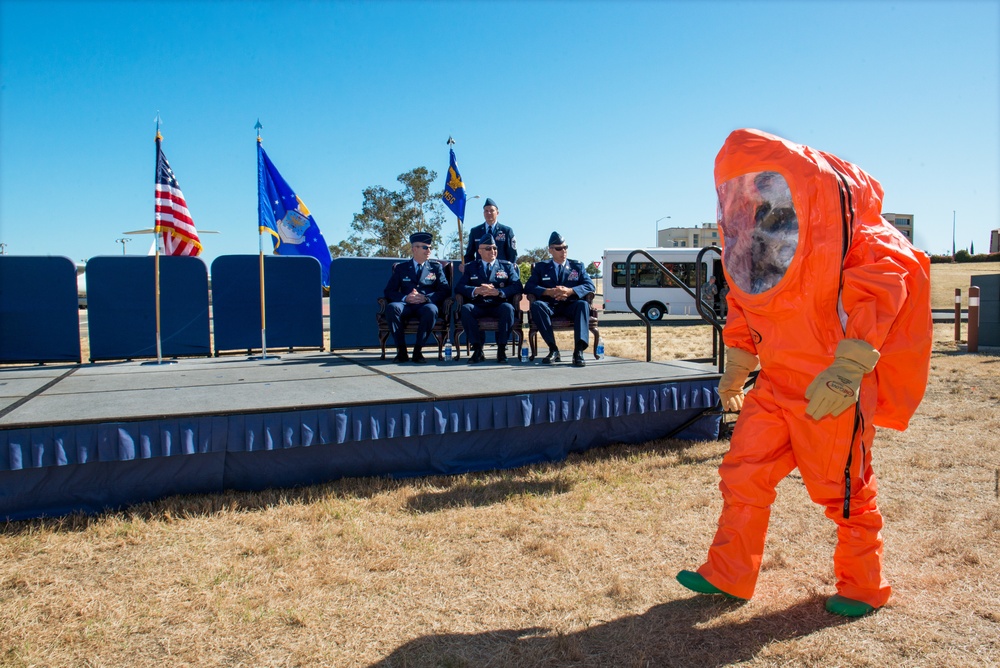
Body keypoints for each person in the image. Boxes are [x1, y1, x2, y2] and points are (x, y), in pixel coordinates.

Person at [676, 129, 931, 617]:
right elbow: (747, 303)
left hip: (827, 386)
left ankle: (863, 585)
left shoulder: (855, 237)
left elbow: (881, 292)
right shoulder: (765, 244)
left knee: (844, 488)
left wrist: (849, 369)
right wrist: (737, 367)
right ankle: (729, 573)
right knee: (744, 474)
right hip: (775, 383)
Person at [524, 231, 595, 367]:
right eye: (559, 248)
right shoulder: (541, 267)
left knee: (583, 305)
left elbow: (589, 285)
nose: (563, 251)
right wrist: (548, 292)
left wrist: (570, 291)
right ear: (550, 250)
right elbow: (529, 287)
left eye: (565, 247)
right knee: (537, 306)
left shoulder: (577, 266)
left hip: (570, 305)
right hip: (550, 306)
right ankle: (553, 349)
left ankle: (578, 351)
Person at [455, 231, 523, 364]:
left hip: (498, 304)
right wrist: (476, 290)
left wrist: (499, 292)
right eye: (488, 248)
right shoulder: (471, 267)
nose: (492, 250)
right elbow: (459, 287)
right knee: (466, 309)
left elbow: (517, 286)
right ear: (479, 251)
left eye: (494, 248)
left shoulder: (506, 266)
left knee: (508, 308)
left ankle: (502, 350)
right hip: (478, 305)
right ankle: (478, 349)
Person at [382, 232, 450, 363]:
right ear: (414, 249)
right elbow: (389, 291)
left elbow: (444, 290)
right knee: (392, 308)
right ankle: (401, 351)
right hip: (406, 304)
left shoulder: (436, 268)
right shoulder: (401, 268)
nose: (428, 250)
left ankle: (418, 351)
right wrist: (405, 298)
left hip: (425, 304)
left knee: (431, 310)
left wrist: (425, 298)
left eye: (430, 247)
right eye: (425, 247)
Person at [463, 198, 517, 265]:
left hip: (501, 272)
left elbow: (512, 255)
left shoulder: (506, 231)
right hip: (480, 271)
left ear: (497, 213)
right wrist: (469, 269)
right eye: (486, 211)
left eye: (491, 211)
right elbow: (469, 255)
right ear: (483, 213)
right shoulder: (475, 231)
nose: (489, 213)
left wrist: (508, 270)